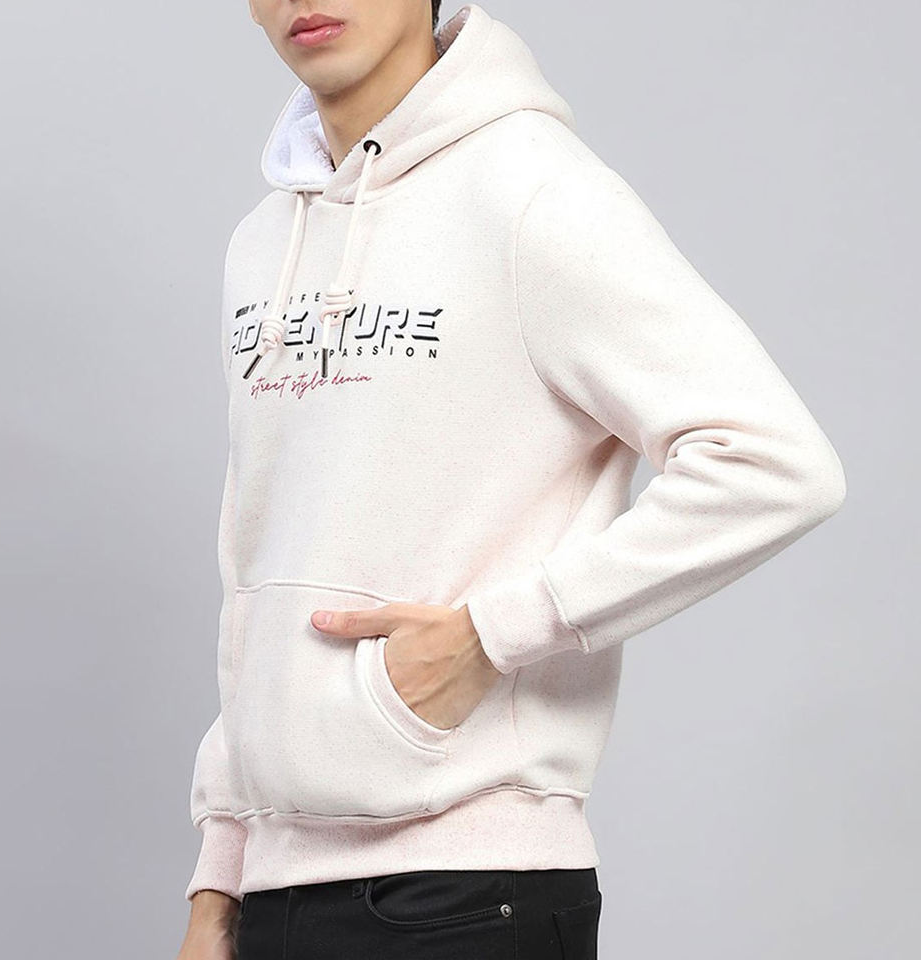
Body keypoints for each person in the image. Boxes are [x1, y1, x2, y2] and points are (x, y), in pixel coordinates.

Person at [175, 3, 847, 958]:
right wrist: (220, 877)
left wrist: (491, 636)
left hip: (466, 891)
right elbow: (256, 563)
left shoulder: (533, 190)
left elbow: (775, 463)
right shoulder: (262, 242)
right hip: (274, 895)